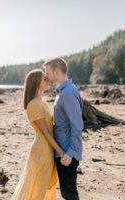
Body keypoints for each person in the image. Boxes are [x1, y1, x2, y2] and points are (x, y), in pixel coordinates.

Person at [12, 69, 65, 200]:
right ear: (36, 82)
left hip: (48, 149)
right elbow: (45, 133)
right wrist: (61, 152)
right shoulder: (33, 105)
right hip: (41, 151)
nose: (48, 81)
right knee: (37, 187)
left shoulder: (43, 101)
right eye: (44, 79)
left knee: (44, 185)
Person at [44, 57, 83, 200]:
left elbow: (77, 126)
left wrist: (70, 153)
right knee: (67, 192)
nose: (45, 76)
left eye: (47, 72)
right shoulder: (63, 91)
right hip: (63, 152)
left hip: (67, 153)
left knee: (69, 193)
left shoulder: (68, 94)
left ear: (57, 72)